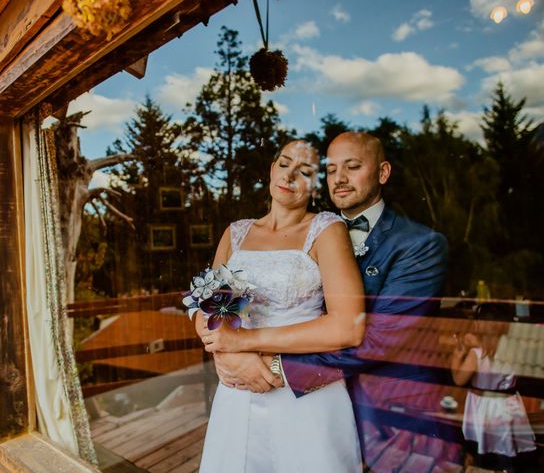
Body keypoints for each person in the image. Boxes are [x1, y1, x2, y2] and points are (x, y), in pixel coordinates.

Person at [203, 131, 450, 469]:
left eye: (352, 167)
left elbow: (375, 338)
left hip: (386, 416)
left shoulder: (417, 244)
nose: (340, 178)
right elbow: (213, 305)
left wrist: (259, 359)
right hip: (244, 390)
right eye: (333, 170)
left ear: (382, 172)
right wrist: (221, 349)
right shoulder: (239, 233)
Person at [193, 139, 366, 472]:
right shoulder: (236, 234)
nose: (290, 176)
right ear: (272, 170)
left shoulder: (327, 230)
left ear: (315, 185)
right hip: (238, 392)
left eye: (304, 171)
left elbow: (348, 326)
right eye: (284, 164)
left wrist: (244, 344)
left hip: (303, 397)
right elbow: (209, 312)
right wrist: (227, 355)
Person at [451, 307, 536, 470]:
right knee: (506, 447)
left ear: (478, 325)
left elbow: (459, 379)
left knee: (486, 449)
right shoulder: (514, 351)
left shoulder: (477, 354)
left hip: (484, 408)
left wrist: (457, 354)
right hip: (509, 404)